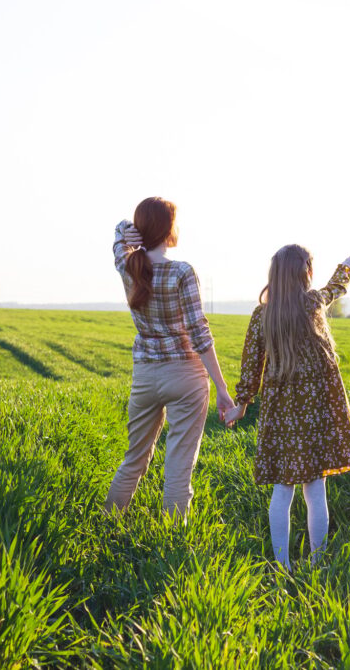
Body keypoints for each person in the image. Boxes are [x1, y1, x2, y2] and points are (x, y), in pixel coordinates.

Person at [224, 245, 350, 569]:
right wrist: (345, 267)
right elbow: (333, 290)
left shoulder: (263, 315)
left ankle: (282, 565)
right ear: (307, 273)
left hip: (279, 412)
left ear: (274, 275)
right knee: (316, 489)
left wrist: (241, 405)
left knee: (282, 489)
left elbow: (251, 366)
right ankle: (318, 564)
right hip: (315, 409)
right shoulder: (312, 303)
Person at [105, 196, 234, 521]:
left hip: (146, 376)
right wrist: (221, 387)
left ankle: (106, 525)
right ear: (168, 229)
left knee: (134, 459)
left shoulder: (128, 266)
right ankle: (173, 540)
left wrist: (127, 233)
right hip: (185, 375)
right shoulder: (181, 272)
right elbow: (199, 333)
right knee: (179, 466)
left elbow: (118, 239)